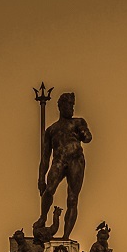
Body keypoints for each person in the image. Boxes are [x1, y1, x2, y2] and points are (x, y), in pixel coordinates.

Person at [36, 92, 92, 240]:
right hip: (59, 160)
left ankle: (66, 236)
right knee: (49, 189)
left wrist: (84, 133)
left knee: (72, 199)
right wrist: (41, 178)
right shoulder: (51, 130)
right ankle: (43, 216)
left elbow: (88, 138)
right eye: (69, 105)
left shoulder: (78, 122)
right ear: (61, 106)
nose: (71, 109)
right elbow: (45, 157)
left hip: (76, 160)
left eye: (73, 105)